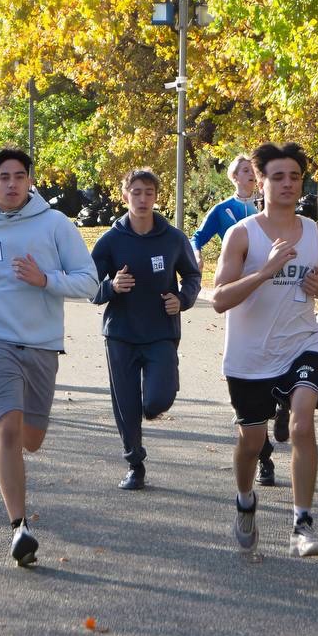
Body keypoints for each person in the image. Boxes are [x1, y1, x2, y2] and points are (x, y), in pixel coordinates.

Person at [0, 148, 98, 566]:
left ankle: (19, 508)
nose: (11, 184)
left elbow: (89, 281)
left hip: (42, 344)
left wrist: (45, 279)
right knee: (7, 428)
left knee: (32, 438)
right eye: (3, 177)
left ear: (30, 181)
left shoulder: (55, 225)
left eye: (19, 177)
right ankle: (19, 527)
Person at [212, 141, 318, 557]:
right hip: (249, 356)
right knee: (251, 442)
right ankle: (245, 500)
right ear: (260, 181)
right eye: (277, 176)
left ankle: (302, 523)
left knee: (302, 424)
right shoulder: (242, 234)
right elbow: (220, 299)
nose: (287, 184)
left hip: (304, 342)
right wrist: (266, 271)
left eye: (294, 176)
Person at [90, 169, 202, 491]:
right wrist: (111, 286)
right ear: (125, 196)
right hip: (120, 333)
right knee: (126, 403)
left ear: (156, 197)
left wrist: (181, 299)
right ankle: (134, 462)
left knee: (156, 401)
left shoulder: (173, 239)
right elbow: (89, 285)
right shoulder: (110, 241)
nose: (142, 199)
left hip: (160, 332)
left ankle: (153, 404)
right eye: (136, 192)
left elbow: (192, 277)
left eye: (148, 193)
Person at [188, 155, 279, 483]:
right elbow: (197, 237)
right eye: (243, 171)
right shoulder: (223, 209)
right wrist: (196, 254)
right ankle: (264, 456)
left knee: (278, 368)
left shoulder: (268, 208)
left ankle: (280, 407)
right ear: (233, 177)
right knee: (254, 379)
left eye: (253, 171)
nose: (250, 176)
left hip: (273, 293)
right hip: (240, 296)